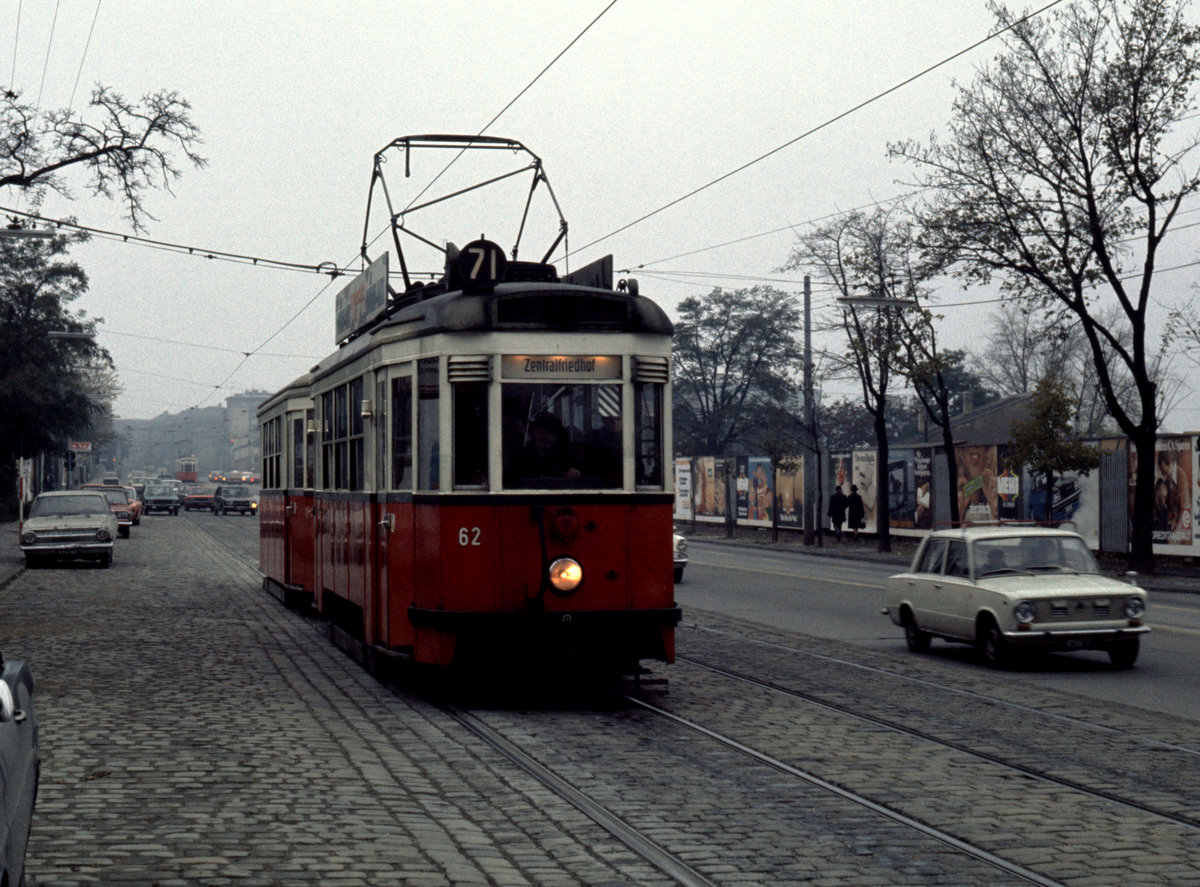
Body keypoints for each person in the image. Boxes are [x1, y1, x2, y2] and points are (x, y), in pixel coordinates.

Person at [514, 413, 581, 482]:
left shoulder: (564, 455)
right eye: (541, 433)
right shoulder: (521, 455)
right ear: (532, 435)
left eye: (549, 434)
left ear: (555, 436)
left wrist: (574, 472)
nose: (545, 437)